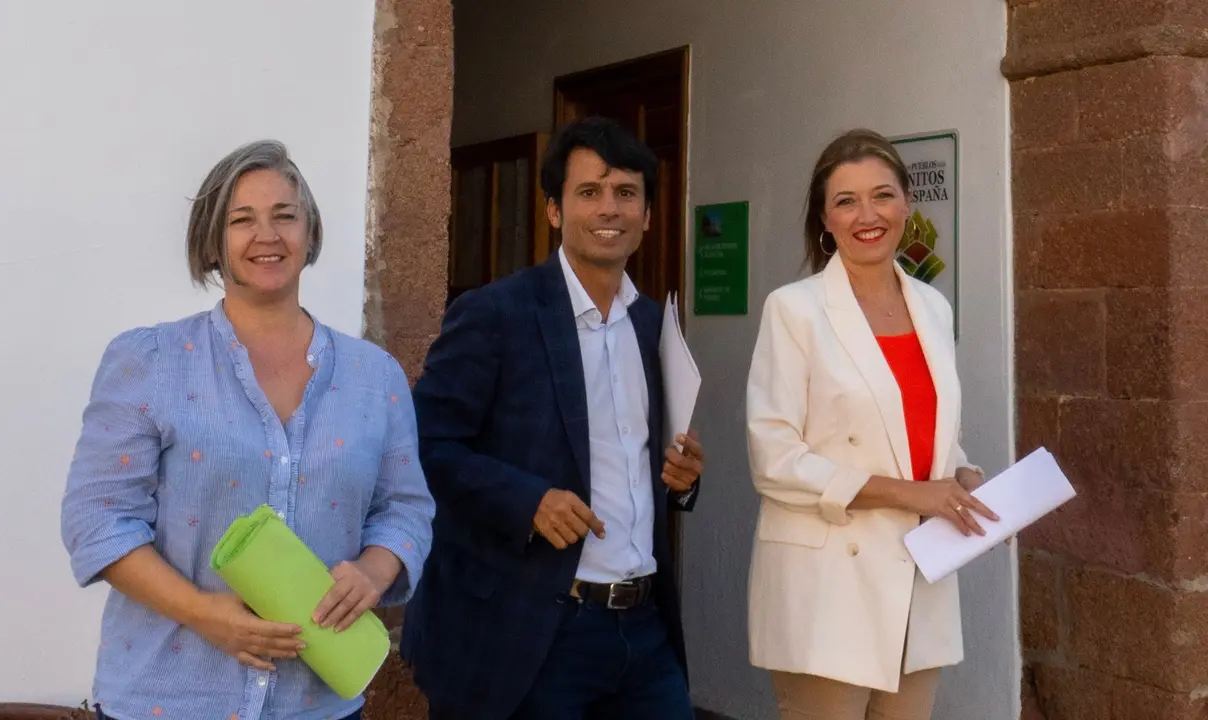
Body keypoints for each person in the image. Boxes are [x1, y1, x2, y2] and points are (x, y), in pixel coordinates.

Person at [60, 140, 435, 720]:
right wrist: (207, 614)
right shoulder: (150, 361)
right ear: (213, 242)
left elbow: (406, 507)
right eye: (242, 220)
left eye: (285, 215)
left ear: (310, 233)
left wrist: (373, 570)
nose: (268, 235)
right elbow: (97, 520)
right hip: (170, 698)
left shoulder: (374, 376)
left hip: (318, 702)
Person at [402, 116, 705, 720]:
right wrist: (527, 500)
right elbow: (424, 446)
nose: (609, 209)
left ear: (647, 214)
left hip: (642, 629)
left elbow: (643, 461)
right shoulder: (495, 313)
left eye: (626, 193)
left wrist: (685, 478)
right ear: (554, 211)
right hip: (533, 632)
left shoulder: (652, 325)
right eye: (589, 192)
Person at [744, 129, 997, 720]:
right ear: (824, 220)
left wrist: (963, 477)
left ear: (907, 205)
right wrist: (912, 493)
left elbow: (923, 430)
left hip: (917, 578)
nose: (868, 215)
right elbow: (775, 458)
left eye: (882, 195)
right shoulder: (794, 309)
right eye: (846, 201)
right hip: (828, 584)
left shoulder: (933, 308)